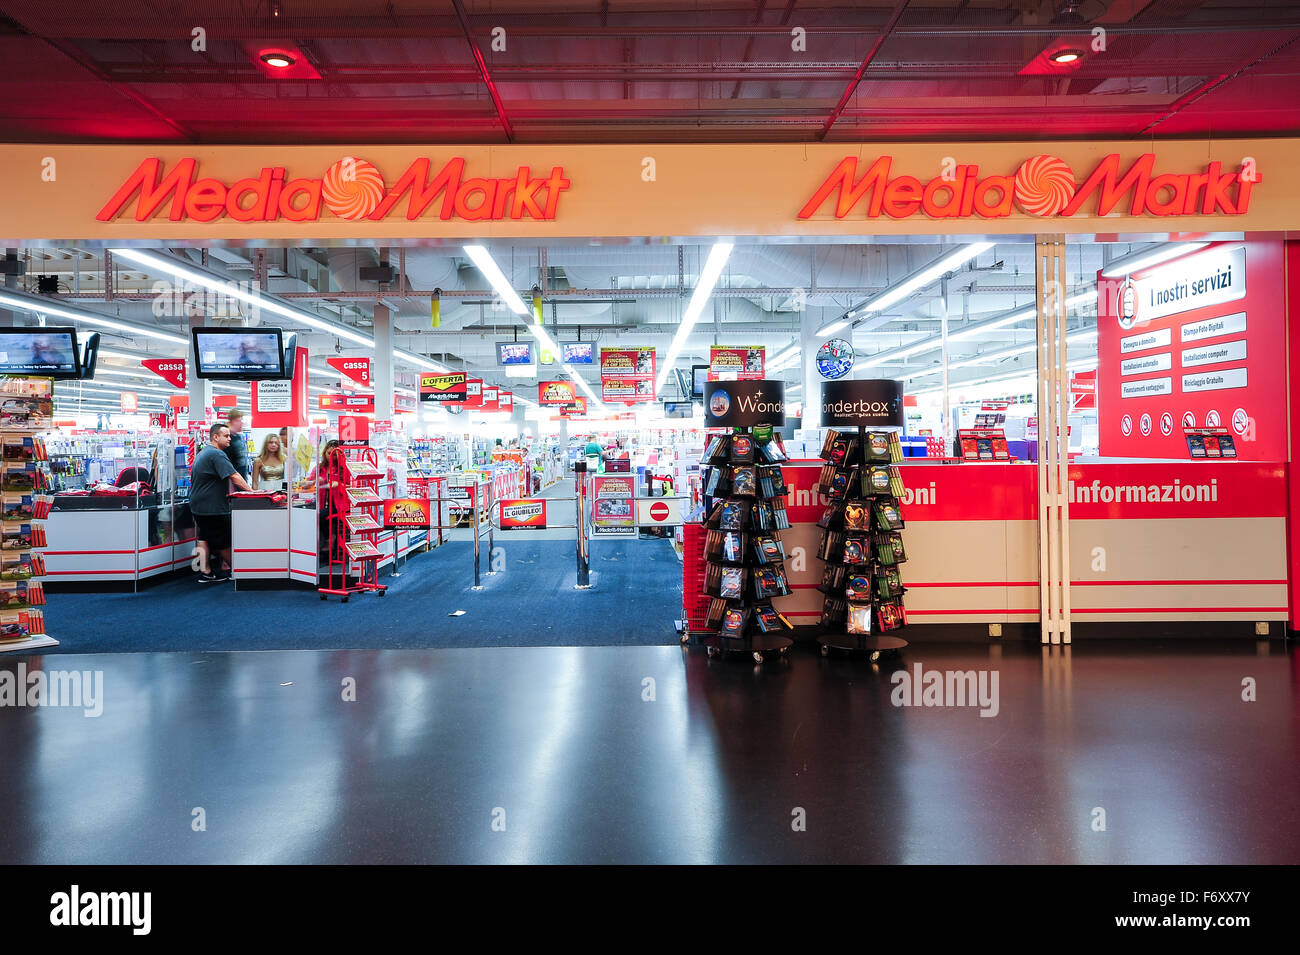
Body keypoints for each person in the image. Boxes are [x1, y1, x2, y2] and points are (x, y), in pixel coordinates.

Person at [191, 422, 252, 583]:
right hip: (212, 507)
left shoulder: (204, 452)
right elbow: (234, 476)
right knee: (224, 540)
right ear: (215, 437)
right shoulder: (217, 454)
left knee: (204, 537)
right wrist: (253, 492)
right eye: (226, 436)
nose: (229, 439)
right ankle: (237, 572)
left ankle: (205, 572)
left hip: (198, 505)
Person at [224, 408, 251, 482]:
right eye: (239, 420)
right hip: (233, 481)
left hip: (241, 479)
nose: (242, 423)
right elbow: (226, 464)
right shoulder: (227, 439)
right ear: (233, 421)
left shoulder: (238, 437)